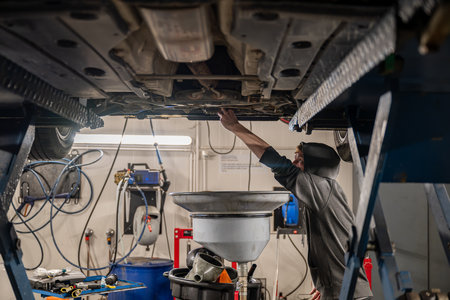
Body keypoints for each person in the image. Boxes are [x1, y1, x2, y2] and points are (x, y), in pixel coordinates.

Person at [218, 108, 372, 300]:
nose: (293, 162)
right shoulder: (327, 192)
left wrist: (235, 127)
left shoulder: (321, 189)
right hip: (344, 291)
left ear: (316, 166)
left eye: (299, 160)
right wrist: (327, 283)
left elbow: (277, 163)